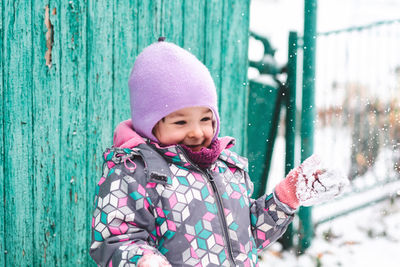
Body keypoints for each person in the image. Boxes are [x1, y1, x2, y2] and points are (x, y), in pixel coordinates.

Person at [89, 38, 349, 267]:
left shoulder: (227, 167)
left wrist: (285, 197)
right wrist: (142, 260)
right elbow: (114, 239)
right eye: (180, 122)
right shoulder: (134, 173)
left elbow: (248, 237)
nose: (196, 132)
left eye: (205, 118)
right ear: (150, 124)